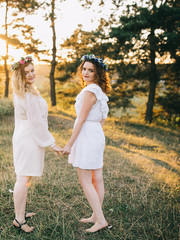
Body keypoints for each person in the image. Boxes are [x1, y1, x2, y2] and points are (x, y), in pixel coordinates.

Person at [11, 56, 62, 233]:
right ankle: (19, 219)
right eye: (26, 72)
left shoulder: (23, 90)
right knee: (23, 179)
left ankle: (21, 212)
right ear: (20, 76)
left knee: (25, 178)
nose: (31, 74)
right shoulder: (26, 94)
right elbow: (36, 123)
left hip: (24, 136)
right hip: (28, 138)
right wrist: (52, 144)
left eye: (32, 70)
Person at [62, 54, 111, 233]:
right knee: (96, 178)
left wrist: (69, 145)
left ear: (98, 73)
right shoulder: (99, 91)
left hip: (87, 135)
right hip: (96, 133)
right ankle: (95, 214)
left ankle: (100, 220)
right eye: (84, 69)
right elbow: (103, 118)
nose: (86, 73)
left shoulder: (90, 91)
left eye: (91, 70)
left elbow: (81, 120)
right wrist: (96, 133)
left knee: (86, 180)